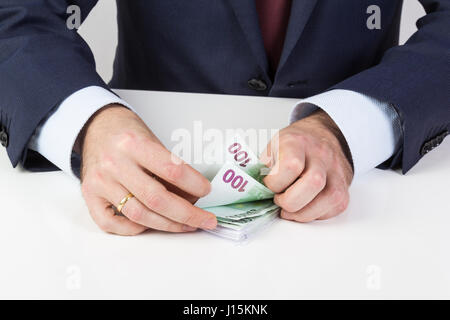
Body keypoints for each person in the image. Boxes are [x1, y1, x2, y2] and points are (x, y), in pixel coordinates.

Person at [0, 1, 448, 235]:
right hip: (141, 206)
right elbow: (18, 13)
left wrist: (356, 123)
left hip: (369, 212)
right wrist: (89, 125)